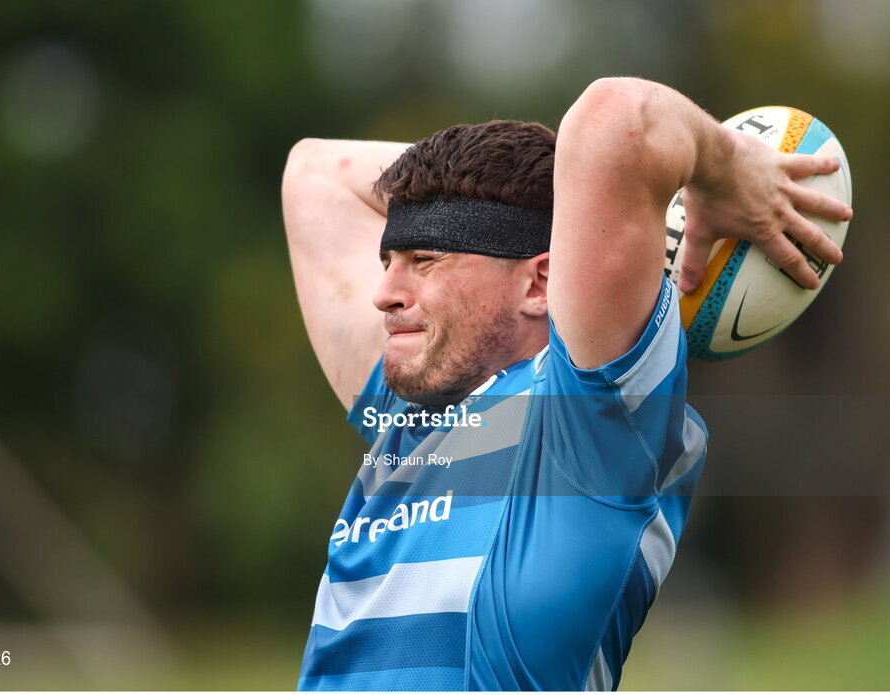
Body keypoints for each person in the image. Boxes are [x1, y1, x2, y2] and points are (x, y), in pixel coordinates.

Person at [281, 77, 852, 691]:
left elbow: (617, 121)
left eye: (426, 261)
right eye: (387, 261)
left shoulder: (588, 419)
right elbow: (312, 174)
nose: (385, 295)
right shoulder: (411, 414)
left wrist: (723, 165)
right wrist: (562, 190)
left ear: (538, 285)